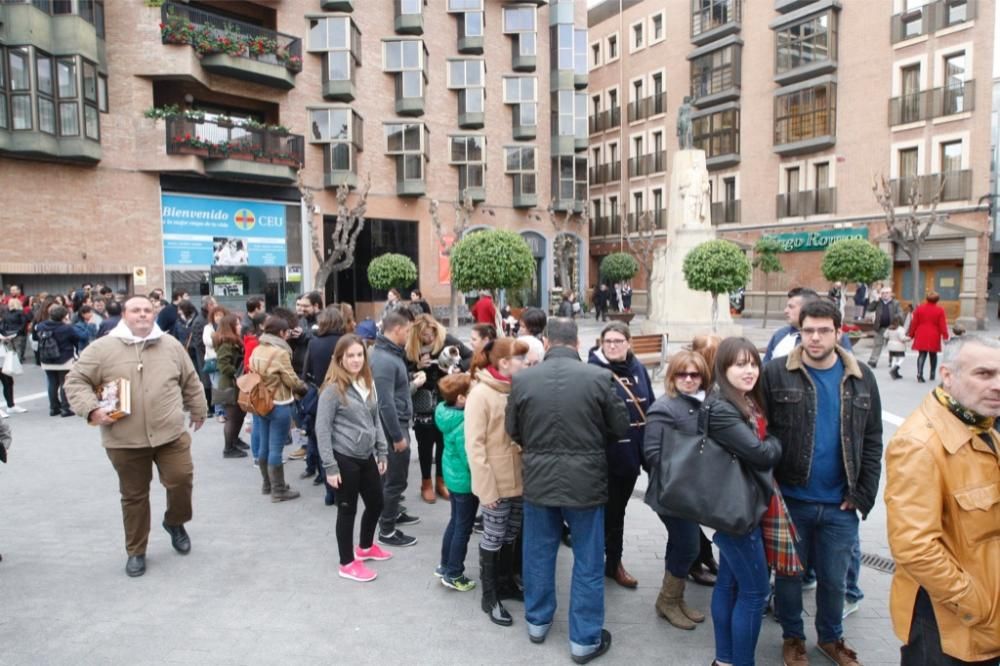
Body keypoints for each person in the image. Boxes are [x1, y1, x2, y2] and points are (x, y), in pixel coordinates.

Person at [761, 298, 883, 666]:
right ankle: (793, 638)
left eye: (823, 331)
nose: (814, 338)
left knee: (834, 580)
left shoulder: (862, 376)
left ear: (838, 332)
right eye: (807, 330)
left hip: (840, 504)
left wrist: (863, 495)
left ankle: (831, 639)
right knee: (788, 577)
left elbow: (874, 440)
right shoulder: (776, 373)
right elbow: (760, 432)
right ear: (800, 332)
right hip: (790, 499)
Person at [506, 318, 629, 662]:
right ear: (577, 344)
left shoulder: (524, 379)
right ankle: (584, 639)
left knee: (538, 553)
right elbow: (619, 426)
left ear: (546, 343)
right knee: (588, 560)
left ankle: (537, 621)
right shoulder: (599, 377)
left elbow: (513, 429)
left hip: (540, 480)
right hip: (586, 482)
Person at [64, 295, 208, 577]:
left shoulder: (170, 345)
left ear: (154, 314)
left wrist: (198, 408)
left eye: (147, 310)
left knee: (181, 480)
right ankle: (136, 551)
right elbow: (76, 381)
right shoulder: (102, 348)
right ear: (124, 315)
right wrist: (91, 410)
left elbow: (190, 379)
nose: (142, 315)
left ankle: (175, 522)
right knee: (134, 496)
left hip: (170, 434)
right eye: (136, 310)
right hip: (124, 439)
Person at [884, 334, 1000, 665]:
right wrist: (974, 602)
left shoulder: (982, 426)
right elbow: (914, 547)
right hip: (947, 621)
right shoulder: (919, 443)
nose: (997, 384)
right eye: (984, 374)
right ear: (947, 375)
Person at [705, 337, 783, 666]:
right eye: (740, 364)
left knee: (729, 582)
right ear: (723, 369)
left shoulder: (744, 401)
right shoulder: (723, 406)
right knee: (754, 593)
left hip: (740, 504)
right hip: (738, 511)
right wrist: (778, 440)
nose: (749, 370)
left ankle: (724, 660)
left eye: (753, 363)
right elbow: (761, 454)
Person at [643, 350, 712, 630]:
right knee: (688, 545)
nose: (688, 379)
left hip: (691, 494)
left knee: (679, 543)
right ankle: (667, 600)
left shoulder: (701, 403)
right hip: (672, 493)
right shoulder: (665, 407)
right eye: (682, 374)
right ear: (672, 376)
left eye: (694, 374)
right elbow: (652, 453)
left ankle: (675, 599)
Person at [315, 334, 391, 583]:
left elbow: (375, 419)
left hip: (366, 454)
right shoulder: (332, 389)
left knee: (377, 502)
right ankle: (346, 562)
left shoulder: (367, 382)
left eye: (360, 354)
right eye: (350, 355)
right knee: (347, 510)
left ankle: (366, 547)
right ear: (340, 359)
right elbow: (322, 429)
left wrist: (382, 450)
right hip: (343, 458)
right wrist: (330, 466)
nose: (356, 360)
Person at [466, 337, 530, 627]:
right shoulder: (481, 394)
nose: (526, 363)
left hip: (519, 481)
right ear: (504, 363)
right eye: (521, 359)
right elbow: (475, 447)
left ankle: (505, 583)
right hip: (496, 483)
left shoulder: (515, 388)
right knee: (493, 536)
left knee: (510, 534)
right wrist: (486, 490)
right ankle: (489, 596)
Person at [587, 322, 654, 589]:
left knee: (618, 514)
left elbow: (650, 405)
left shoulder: (638, 368)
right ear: (601, 344)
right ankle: (595, 564)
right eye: (608, 342)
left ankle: (613, 563)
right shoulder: (592, 371)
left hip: (630, 458)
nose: (613, 346)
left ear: (628, 343)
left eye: (618, 341)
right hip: (602, 459)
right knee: (598, 516)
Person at [405, 314, 472, 503]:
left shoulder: (446, 340)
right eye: (425, 335)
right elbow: (402, 370)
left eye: (432, 333)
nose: (429, 338)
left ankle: (440, 482)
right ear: (417, 335)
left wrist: (457, 369)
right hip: (423, 400)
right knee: (425, 445)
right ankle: (426, 483)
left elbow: (469, 356)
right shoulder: (411, 346)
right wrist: (416, 366)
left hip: (444, 397)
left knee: (443, 442)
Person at [371, 312, 422, 547]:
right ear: (398, 330)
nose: (409, 334)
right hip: (394, 428)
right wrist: (397, 436)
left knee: (391, 480)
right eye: (408, 330)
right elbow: (385, 403)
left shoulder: (390, 355)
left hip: (397, 424)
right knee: (395, 480)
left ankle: (392, 513)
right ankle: (387, 530)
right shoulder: (383, 358)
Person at [247, 316, 308, 502]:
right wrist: (303, 389)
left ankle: (267, 484)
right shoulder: (280, 352)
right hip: (279, 403)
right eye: (287, 332)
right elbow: (290, 379)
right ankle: (279, 490)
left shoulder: (258, 348)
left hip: (261, 403)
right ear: (281, 333)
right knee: (276, 448)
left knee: (264, 446)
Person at [434, 372, 478, 592]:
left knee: (455, 522)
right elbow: (470, 458)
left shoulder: (446, 413)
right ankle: (454, 573)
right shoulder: (463, 424)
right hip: (464, 482)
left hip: (453, 477)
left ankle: (444, 565)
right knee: (463, 527)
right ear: (461, 398)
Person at [763, 288, 853, 363]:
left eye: (791, 307)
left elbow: (849, 365)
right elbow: (765, 367)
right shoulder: (780, 335)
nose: (785, 311)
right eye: (807, 331)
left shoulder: (836, 336)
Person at [34, 304, 86, 417]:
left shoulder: (41, 326)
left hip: (46, 358)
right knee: (64, 383)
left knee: (52, 383)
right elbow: (77, 338)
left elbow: (35, 336)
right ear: (64, 316)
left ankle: (53, 408)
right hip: (64, 358)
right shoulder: (66, 328)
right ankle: (65, 408)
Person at [213, 314, 249, 460]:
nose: (240, 326)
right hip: (230, 385)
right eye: (237, 324)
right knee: (233, 418)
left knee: (239, 415)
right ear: (231, 327)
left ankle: (234, 440)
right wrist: (237, 374)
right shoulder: (226, 342)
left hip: (236, 384)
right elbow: (223, 365)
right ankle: (228, 448)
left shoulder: (233, 340)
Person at [908, 291, 950, 384]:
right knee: (933, 355)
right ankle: (932, 373)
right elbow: (942, 324)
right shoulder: (940, 310)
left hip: (921, 332)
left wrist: (911, 334)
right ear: (937, 300)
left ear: (926, 298)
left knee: (921, 354)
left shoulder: (919, 309)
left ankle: (919, 374)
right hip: (934, 334)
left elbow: (914, 323)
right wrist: (945, 336)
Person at [0, 301, 29, 417]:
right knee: (6, 381)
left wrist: (5, 338)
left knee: (8, 381)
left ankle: (11, 405)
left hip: (2, 356)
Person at [202, 305, 229, 422]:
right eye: (216, 315)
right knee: (217, 386)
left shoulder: (227, 327)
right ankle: (219, 412)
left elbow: (230, 340)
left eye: (221, 315)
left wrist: (217, 338)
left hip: (225, 359)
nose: (218, 318)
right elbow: (208, 342)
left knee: (226, 386)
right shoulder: (208, 328)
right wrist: (220, 338)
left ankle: (227, 411)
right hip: (213, 360)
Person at [866, 285, 902, 368]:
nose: (885, 295)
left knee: (892, 345)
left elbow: (900, 313)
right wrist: (875, 301)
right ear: (881, 294)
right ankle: (873, 360)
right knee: (877, 344)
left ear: (890, 294)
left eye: (887, 293)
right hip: (880, 327)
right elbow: (869, 308)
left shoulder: (895, 303)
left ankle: (892, 360)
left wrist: (896, 319)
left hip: (891, 328)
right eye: (883, 293)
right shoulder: (878, 303)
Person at [885, 316, 910, 380]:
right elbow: (902, 338)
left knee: (894, 359)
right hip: (899, 346)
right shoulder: (900, 329)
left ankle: (895, 372)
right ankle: (895, 368)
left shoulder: (889, 328)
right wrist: (909, 338)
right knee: (901, 358)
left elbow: (885, 335)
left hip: (891, 346)